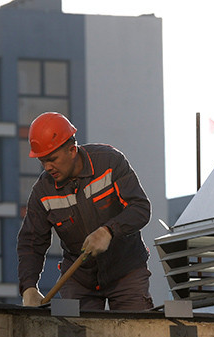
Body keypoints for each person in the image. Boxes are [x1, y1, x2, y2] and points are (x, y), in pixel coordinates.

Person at [17, 112, 154, 310]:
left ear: (72, 150)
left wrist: (109, 231)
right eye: (42, 161)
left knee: (137, 333)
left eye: (52, 159)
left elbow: (140, 208)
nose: (48, 167)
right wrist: (28, 287)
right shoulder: (42, 192)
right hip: (79, 280)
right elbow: (31, 242)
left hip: (127, 272)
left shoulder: (110, 163)